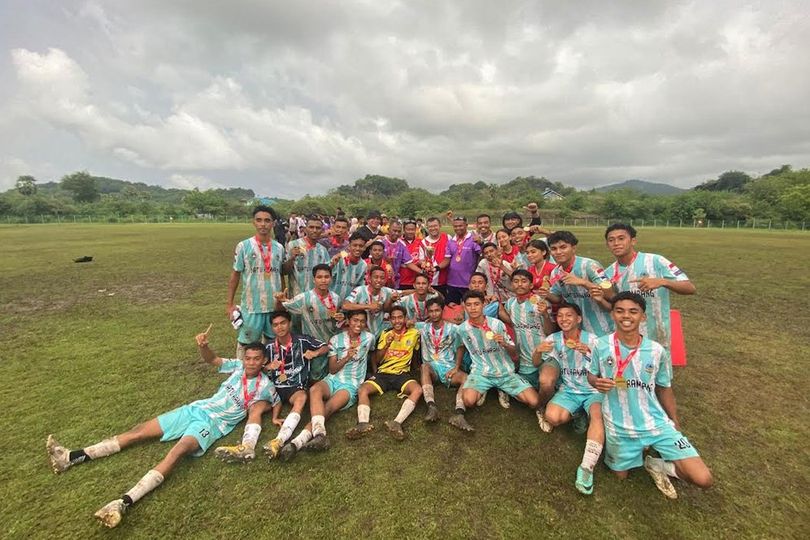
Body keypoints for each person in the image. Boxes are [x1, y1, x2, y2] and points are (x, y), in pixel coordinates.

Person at [46, 336, 278, 528]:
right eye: (248, 358)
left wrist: (274, 414)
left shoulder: (266, 385)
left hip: (211, 426)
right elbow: (213, 359)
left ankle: (123, 502)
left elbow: (275, 401)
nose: (250, 363)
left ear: (263, 360)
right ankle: (70, 457)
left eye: (256, 359)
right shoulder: (236, 366)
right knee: (138, 431)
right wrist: (203, 347)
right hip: (194, 409)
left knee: (176, 453)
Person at [587, 292, 713, 499]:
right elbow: (592, 375)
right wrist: (596, 382)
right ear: (612, 315)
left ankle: (656, 464)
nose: (626, 316)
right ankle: (639, 455)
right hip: (619, 424)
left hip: (655, 423)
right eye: (619, 311)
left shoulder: (656, 351)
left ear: (643, 317)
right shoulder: (601, 345)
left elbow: (664, 388)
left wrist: (675, 422)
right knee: (620, 476)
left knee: (703, 478)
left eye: (633, 311)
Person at [214, 311, 328, 462]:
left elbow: (325, 347)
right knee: (256, 408)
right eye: (275, 325)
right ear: (272, 328)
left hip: (295, 387)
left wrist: (315, 353)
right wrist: (268, 367)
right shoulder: (267, 348)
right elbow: (255, 364)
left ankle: (279, 440)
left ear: (290, 323)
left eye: (283, 323)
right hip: (272, 389)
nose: (279, 327)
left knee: (301, 398)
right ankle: (247, 446)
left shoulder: (302, 340)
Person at [279, 311, 376, 460]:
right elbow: (332, 369)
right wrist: (347, 357)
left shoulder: (369, 338)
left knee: (328, 408)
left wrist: (375, 373)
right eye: (355, 320)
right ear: (348, 321)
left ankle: (297, 442)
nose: (359, 324)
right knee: (314, 389)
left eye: (362, 321)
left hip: (350, 384)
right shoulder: (336, 340)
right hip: (333, 378)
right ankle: (320, 434)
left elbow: (373, 353)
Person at [534, 303, 603, 494]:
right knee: (553, 418)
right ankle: (577, 413)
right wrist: (538, 351)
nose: (564, 319)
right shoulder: (554, 339)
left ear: (579, 319)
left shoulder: (594, 340)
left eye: (569, 315)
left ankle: (587, 467)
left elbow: (609, 367)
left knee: (597, 417)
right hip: (569, 390)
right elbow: (536, 363)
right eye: (560, 316)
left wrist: (589, 352)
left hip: (592, 390)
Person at [603, 223, 696, 348]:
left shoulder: (655, 261)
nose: (616, 243)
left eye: (621, 238)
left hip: (657, 334)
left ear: (633, 241)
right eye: (611, 240)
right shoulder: (609, 273)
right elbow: (612, 304)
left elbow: (690, 288)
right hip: (627, 335)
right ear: (607, 244)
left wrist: (663, 282)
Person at [456, 291, 544, 420]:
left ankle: (505, 389)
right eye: (469, 305)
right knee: (469, 401)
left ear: (483, 305)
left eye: (476, 304)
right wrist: (456, 367)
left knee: (535, 402)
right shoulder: (462, 329)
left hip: (505, 372)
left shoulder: (497, 324)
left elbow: (514, 352)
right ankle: (485, 388)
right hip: (481, 373)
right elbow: (460, 347)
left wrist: (505, 344)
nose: (473, 308)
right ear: (464, 306)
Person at [346, 306, 422, 440]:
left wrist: (416, 366)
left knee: (417, 390)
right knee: (363, 390)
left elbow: (415, 352)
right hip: (384, 373)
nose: (397, 321)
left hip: (401, 374)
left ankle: (397, 422)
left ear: (405, 319)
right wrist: (386, 345)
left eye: (400, 317)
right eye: (394, 318)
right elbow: (377, 359)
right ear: (390, 320)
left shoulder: (414, 333)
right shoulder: (385, 333)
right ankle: (363, 423)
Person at [226, 205, 285, 356]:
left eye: (267, 220)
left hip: (273, 307)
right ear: (253, 222)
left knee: (273, 345)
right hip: (252, 307)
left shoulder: (279, 248)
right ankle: (242, 375)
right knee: (247, 346)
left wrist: (283, 302)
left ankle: (269, 375)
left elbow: (281, 274)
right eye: (259, 220)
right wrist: (230, 304)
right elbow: (235, 275)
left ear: (273, 223)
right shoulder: (243, 246)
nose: (263, 224)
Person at [276, 264, 344, 382]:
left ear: (331, 278)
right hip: (313, 344)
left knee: (333, 374)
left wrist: (341, 318)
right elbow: (284, 308)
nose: (323, 280)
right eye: (319, 277)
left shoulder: (336, 298)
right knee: (315, 376)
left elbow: (340, 321)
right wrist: (280, 300)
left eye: (326, 277)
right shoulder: (304, 297)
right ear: (314, 279)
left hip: (332, 342)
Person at [416, 298, 474, 430]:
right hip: (432, 370)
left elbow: (460, 347)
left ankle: (459, 414)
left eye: (437, 310)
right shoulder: (423, 327)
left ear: (443, 311)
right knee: (424, 367)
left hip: (448, 368)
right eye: (430, 311)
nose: (434, 314)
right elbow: (407, 324)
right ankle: (431, 406)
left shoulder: (454, 329)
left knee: (466, 378)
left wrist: (456, 367)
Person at [545, 231, 615, 336]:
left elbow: (610, 294)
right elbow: (557, 297)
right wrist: (545, 294)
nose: (558, 252)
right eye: (554, 249)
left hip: (602, 330)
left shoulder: (589, 265)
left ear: (573, 248)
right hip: (577, 330)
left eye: (563, 247)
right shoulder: (556, 272)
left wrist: (583, 282)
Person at [499, 270, 554, 394]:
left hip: (544, 356)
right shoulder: (510, 303)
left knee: (547, 385)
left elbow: (549, 332)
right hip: (525, 360)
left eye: (524, 281)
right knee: (524, 387)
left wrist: (545, 315)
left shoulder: (540, 302)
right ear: (511, 285)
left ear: (531, 285)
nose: (519, 285)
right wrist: (500, 310)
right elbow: (513, 324)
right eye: (516, 281)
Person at [342, 265, 400, 338]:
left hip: (380, 332)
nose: (379, 280)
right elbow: (345, 305)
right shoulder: (360, 290)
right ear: (369, 279)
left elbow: (402, 292)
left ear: (385, 280)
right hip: (362, 332)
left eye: (382, 278)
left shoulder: (387, 291)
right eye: (376, 277)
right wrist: (368, 306)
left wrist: (416, 290)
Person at [284, 215, 330, 296]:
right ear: (305, 229)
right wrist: (292, 258)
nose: (314, 230)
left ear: (322, 230)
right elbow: (284, 271)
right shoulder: (293, 245)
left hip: (316, 298)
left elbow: (326, 275)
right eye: (311, 227)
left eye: (318, 228)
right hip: (296, 296)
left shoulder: (323, 250)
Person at [440, 216, 482, 304]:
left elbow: (482, 255)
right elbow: (446, 260)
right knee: (452, 309)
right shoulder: (451, 241)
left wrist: (481, 243)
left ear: (466, 225)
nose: (458, 228)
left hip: (468, 284)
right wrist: (435, 268)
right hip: (452, 283)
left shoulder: (473, 239)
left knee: (468, 309)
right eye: (455, 226)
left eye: (460, 226)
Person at [381, 220, 423, 289]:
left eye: (399, 231)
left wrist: (422, 272)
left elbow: (408, 263)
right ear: (388, 230)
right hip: (379, 279)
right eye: (394, 230)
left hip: (394, 282)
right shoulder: (381, 242)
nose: (396, 233)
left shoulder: (402, 244)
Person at [328, 232, 368, 304]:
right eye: (355, 245)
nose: (358, 248)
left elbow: (360, 287)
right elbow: (326, 272)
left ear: (364, 247)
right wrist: (332, 265)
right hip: (332, 303)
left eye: (361, 246)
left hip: (349, 305)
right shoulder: (339, 258)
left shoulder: (364, 265)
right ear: (349, 246)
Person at [422, 216, 450, 298]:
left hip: (444, 281)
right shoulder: (423, 242)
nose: (433, 228)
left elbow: (448, 258)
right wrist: (424, 265)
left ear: (440, 225)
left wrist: (436, 268)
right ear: (427, 227)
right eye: (430, 226)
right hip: (429, 281)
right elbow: (421, 260)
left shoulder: (448, 237)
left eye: (435, 226)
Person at [398, 220, 428, 290]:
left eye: (412, 229)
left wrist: (422, 263)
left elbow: (423, 260)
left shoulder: (420, 242)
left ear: (416, 230)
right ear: (404, 230)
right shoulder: (399, 242)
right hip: (401, 281)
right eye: (408, 229)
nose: (410, 232)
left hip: (416, 282)